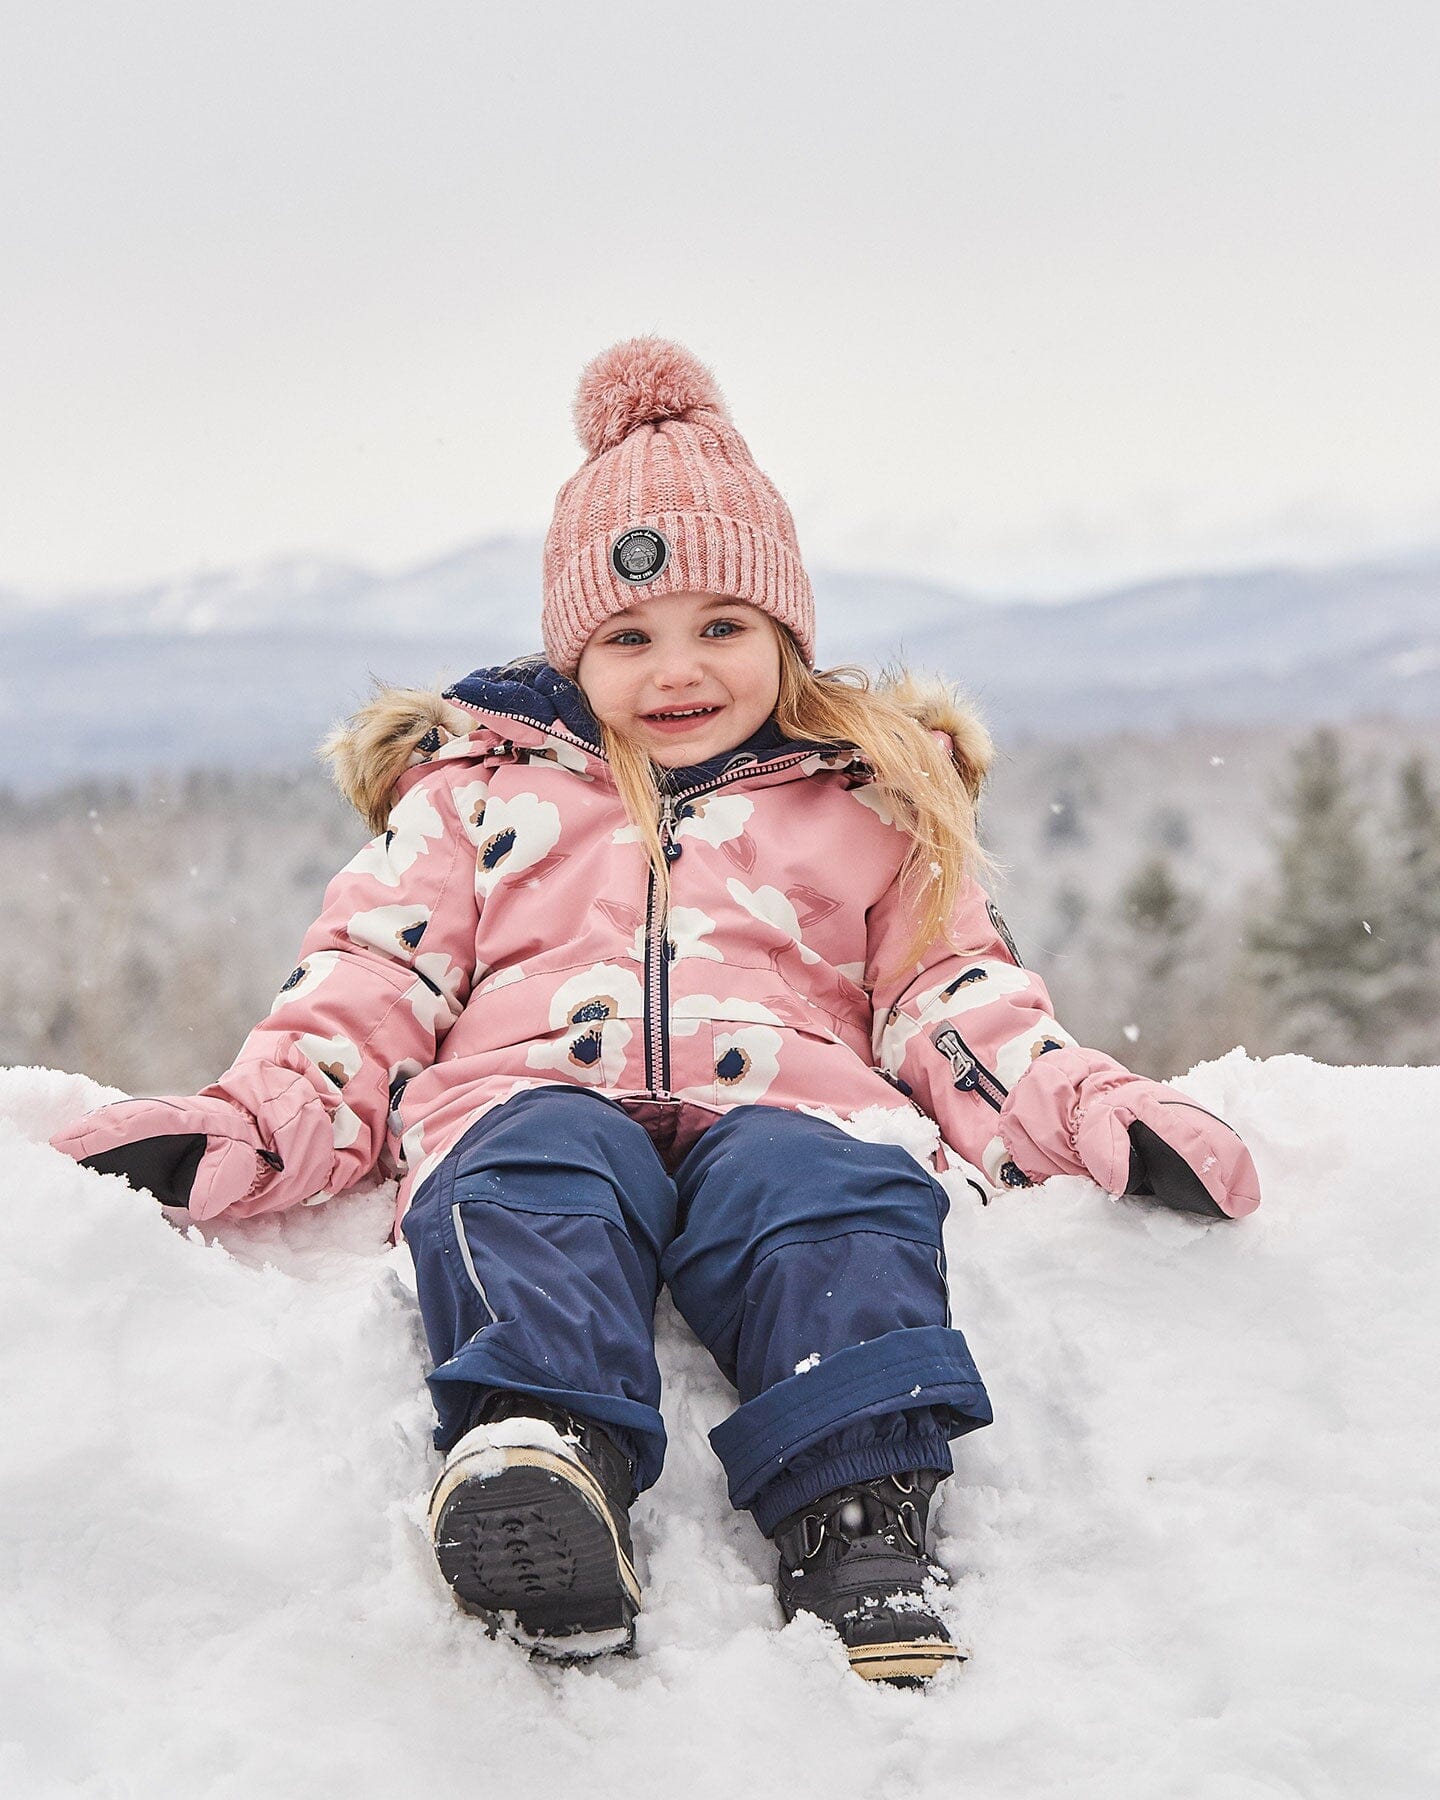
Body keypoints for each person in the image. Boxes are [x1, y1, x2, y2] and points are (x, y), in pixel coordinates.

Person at [51, 337, 1261, 1686]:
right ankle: (542, 1455)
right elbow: (373, 983)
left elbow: (949, 995)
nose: (676, 670)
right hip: (534, 1087)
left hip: (786, 1097)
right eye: (629, 636)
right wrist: (252, 1125)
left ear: (784, 630)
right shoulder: (480, 792)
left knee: (829, 1190)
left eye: (720, 628)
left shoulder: (863, 795)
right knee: (522, 1173)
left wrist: (1091, 1113)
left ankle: (859, 1502)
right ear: (575, 651)